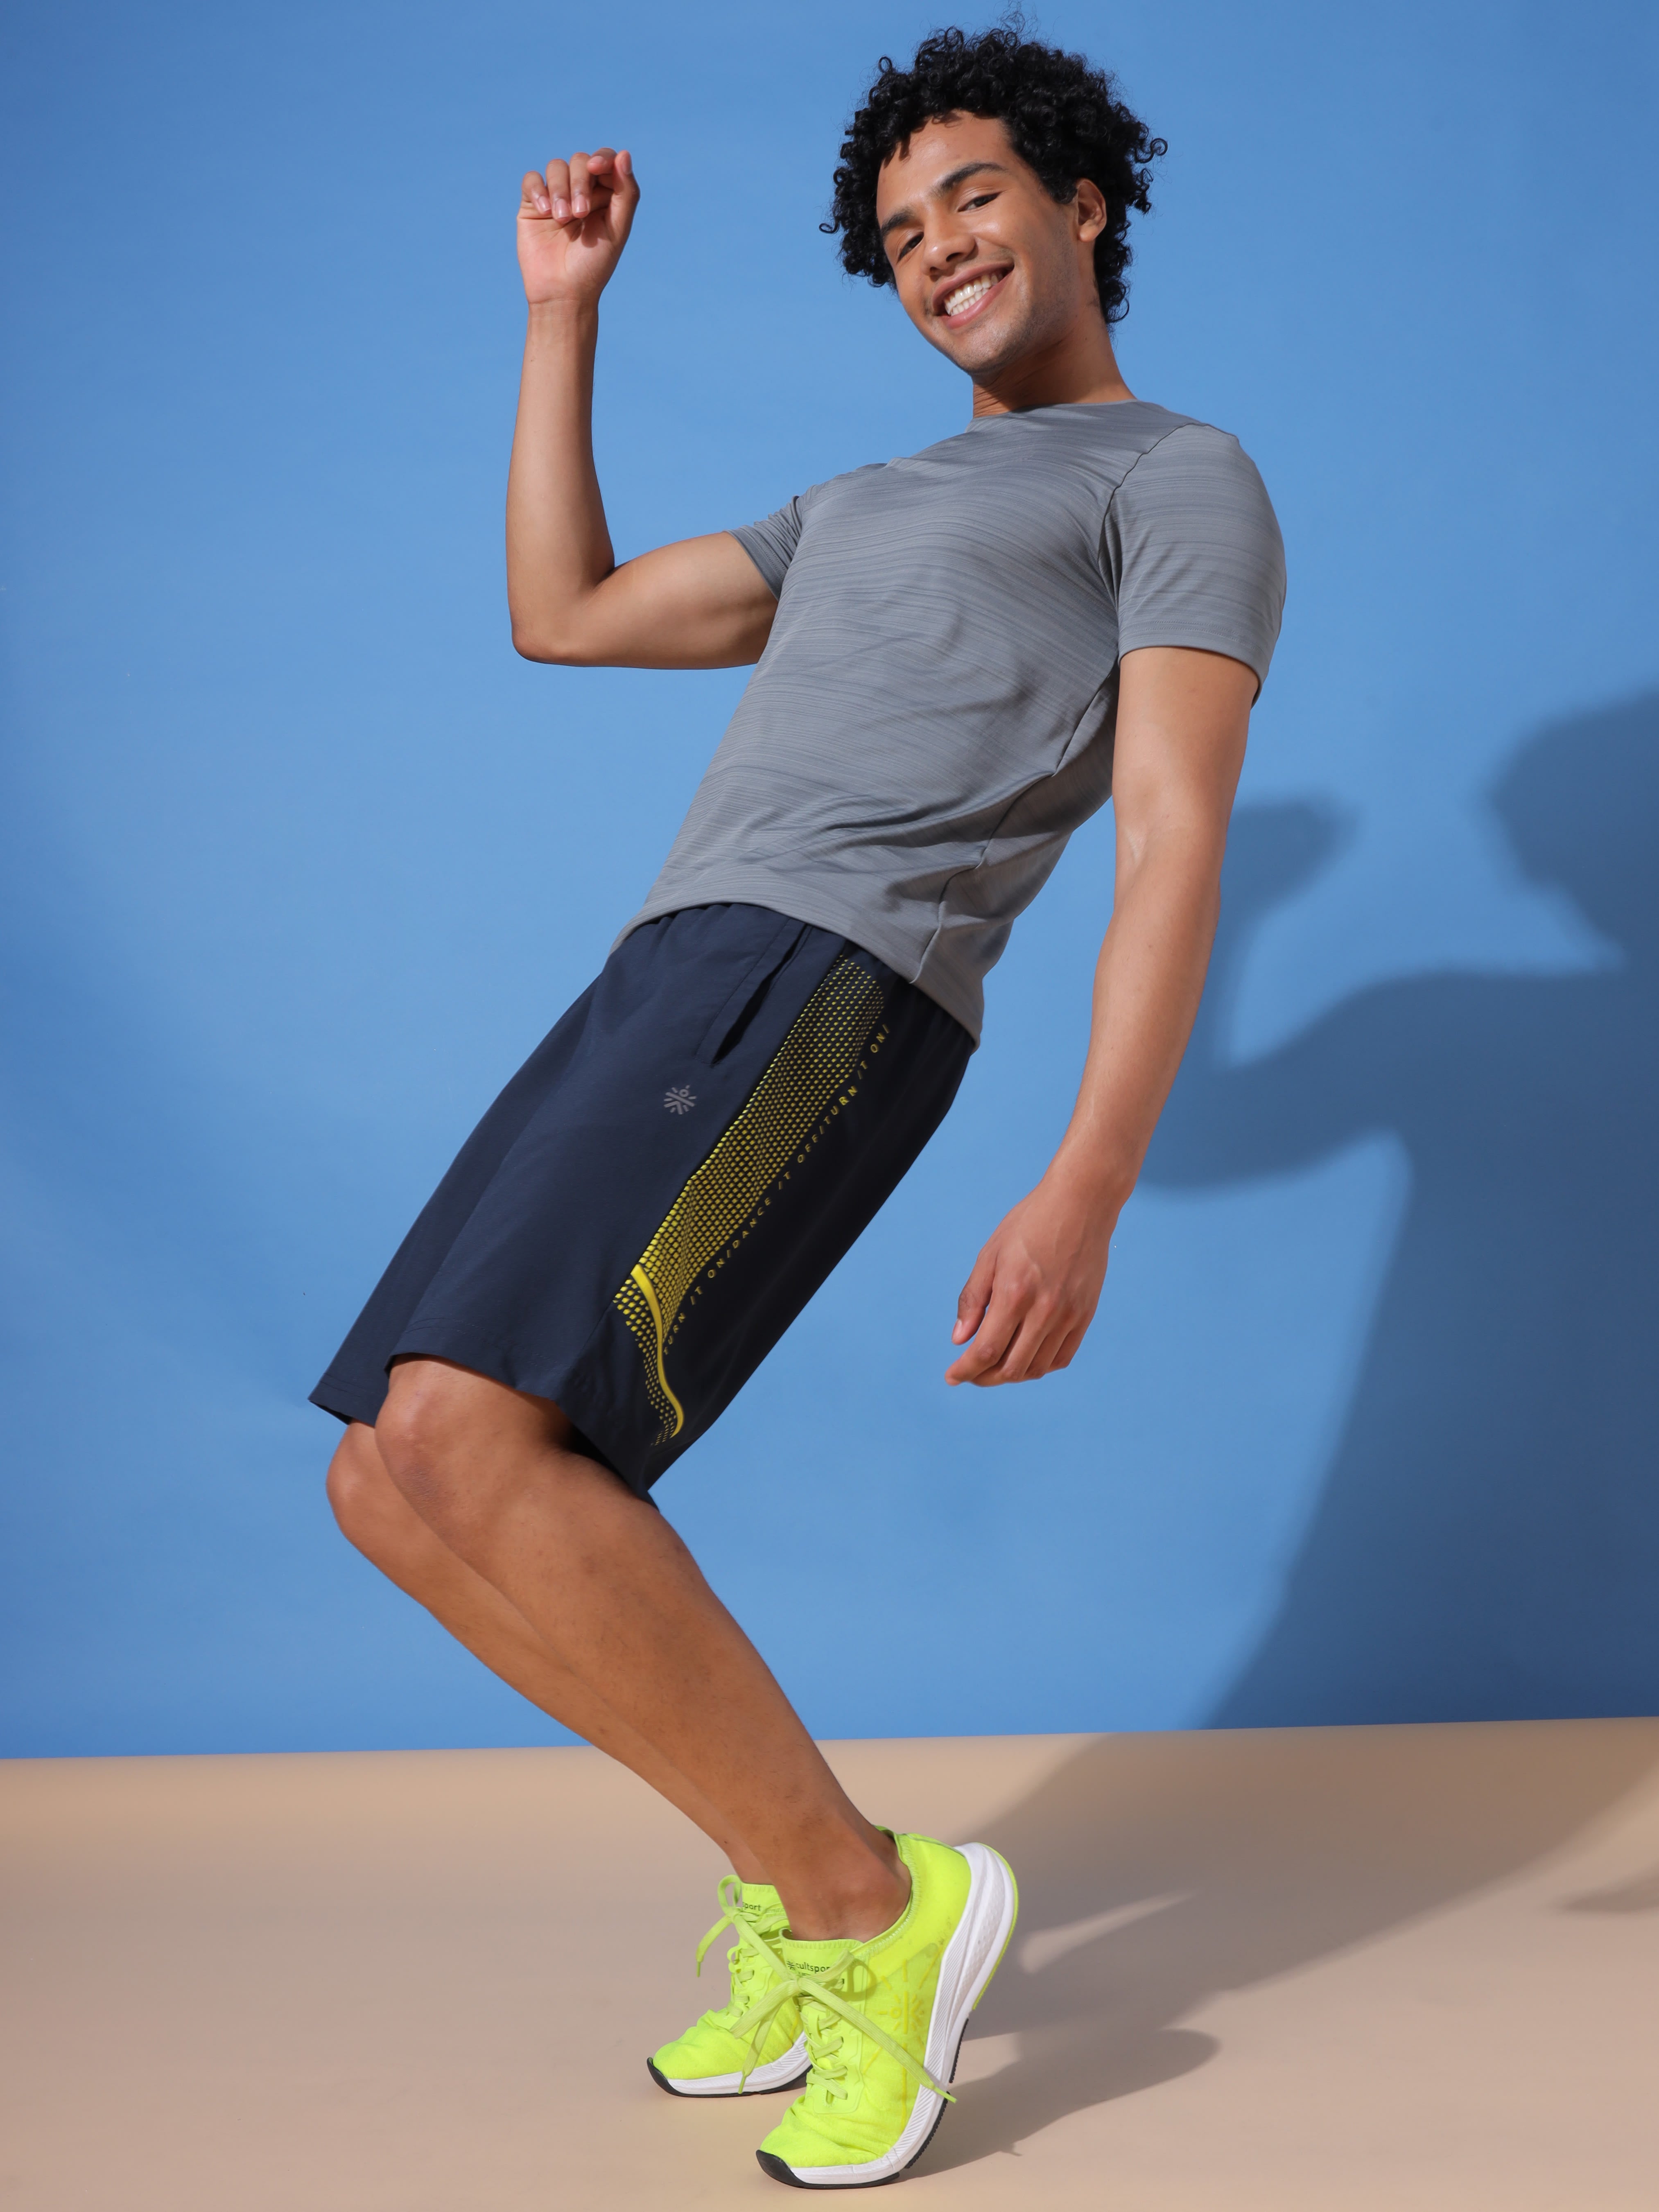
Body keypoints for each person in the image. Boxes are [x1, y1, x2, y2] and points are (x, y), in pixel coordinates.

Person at [311, 24, 1284, 2190]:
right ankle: (794, 1884)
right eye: (901, 228)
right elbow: (561, 616)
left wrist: (1090, 1180)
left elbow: (1170, 837)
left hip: (826, 987)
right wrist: (563, 317)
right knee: (389, 1478)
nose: (938, 244)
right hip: (669, 971)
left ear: (1082, 202)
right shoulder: (852, 504)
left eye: (973, 195)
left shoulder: (1172, 475)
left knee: (471, 1436)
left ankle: (872, 1913)